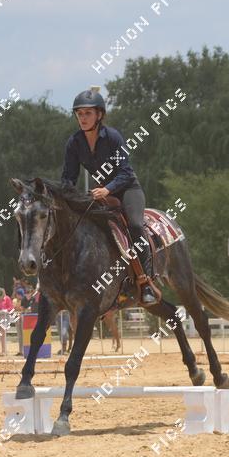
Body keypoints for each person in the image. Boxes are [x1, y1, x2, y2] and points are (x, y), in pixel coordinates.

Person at [61, 86, 157, 304]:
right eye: (79, 114)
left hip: (128, 189)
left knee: (135, 226)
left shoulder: (113, 137)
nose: (83, 118)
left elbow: (125, 172)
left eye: (88, 113)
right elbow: (69, 177)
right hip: (100, 193)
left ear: (99, 115)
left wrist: (107, 189)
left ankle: (146, 281)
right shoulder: (74, 143)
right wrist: (65, 198)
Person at [0, 287, 14, 355]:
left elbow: (11, 308)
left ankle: (4, 351)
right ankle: (3, 349)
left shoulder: (7, 298)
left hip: (5, 317)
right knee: (1, 334)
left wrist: (5, 310)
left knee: (3, 332)